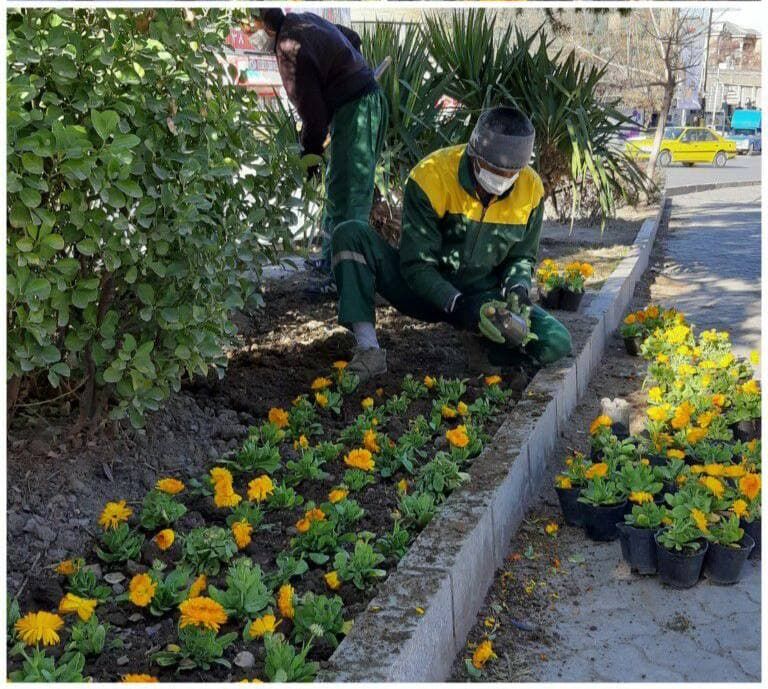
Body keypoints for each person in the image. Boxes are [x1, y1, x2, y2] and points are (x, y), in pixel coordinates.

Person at [330, 106, 573, 383]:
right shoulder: (431, 176)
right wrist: (458, 306)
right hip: (420, 291)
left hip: (485, 299)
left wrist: (517, 290)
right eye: (494, 171)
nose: (501, 181)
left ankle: (487, 349)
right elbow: (416, 265)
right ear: (474, 155)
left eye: (511, 174)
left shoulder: (531, 189)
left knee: (557, 341)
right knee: (350, 234)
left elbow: (521, 257)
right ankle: (368, 350)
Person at [253, 9, 388, 293]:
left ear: (264, 25)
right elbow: (352, 37)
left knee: (351, 194)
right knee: (338, 187)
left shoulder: (288, 49)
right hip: (352, 107)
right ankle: (330, 260)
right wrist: (345, 70)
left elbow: (313, 115)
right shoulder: (303, 19)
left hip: (359, 109)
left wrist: (310, 152)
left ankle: (345, 279)